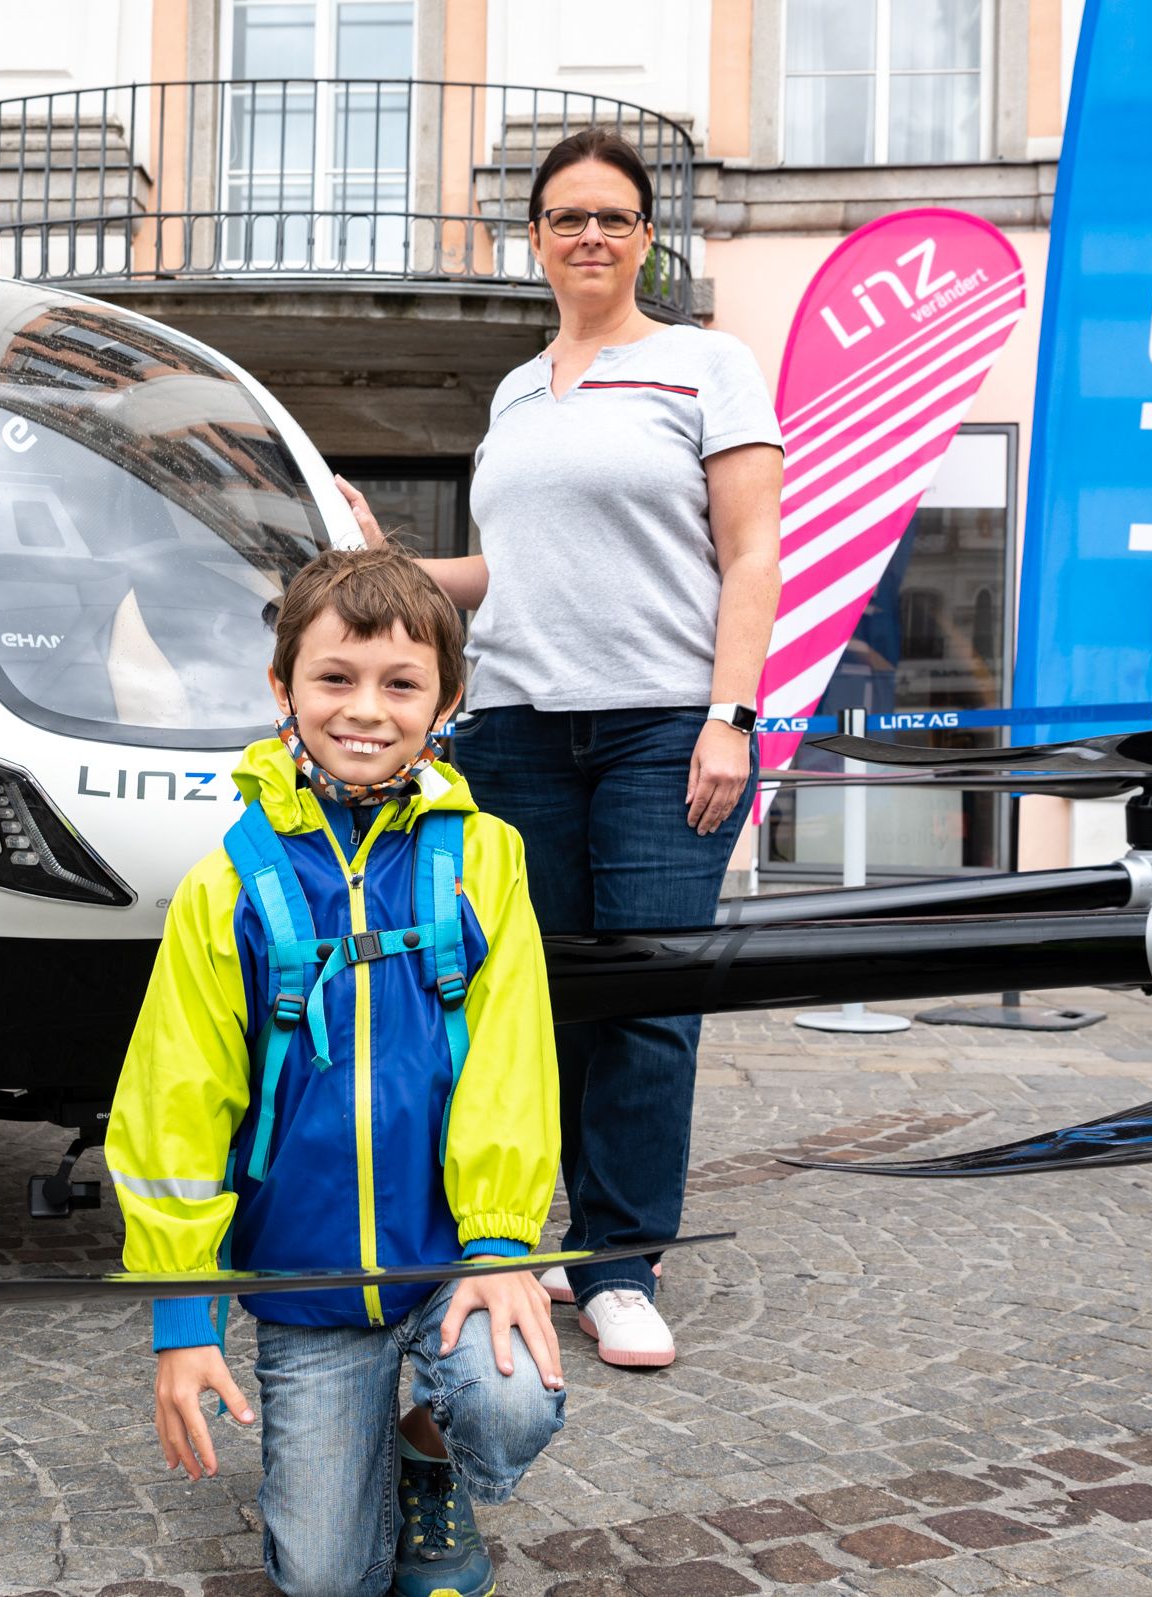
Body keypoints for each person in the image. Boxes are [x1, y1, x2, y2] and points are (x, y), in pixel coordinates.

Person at [337, 126, 785, 1370]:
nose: (591, 233)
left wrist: (731, 717)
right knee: (528, 999)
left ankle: (623, 1263)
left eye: (616, 215)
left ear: (647, 238)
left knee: (648, 1001)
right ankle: (517, 1229)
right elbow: (506, 574)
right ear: (533, 239)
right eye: (567, 216)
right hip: (517, 731)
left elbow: (753, 551)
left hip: (662, 728)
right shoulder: (516, 391)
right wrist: (388, 564)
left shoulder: (706, 366)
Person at [106, 546, 563, 1597]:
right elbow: (174, 1106)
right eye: (336, 677)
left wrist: (501, 1249)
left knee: (507, 1404)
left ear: (447, 700)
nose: (366, 709)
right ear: (283, 689)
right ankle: (365, 1458)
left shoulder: (487, 858)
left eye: (401, 684)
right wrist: (185, 1316)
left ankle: (429, 1451)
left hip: (452, 1260)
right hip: (309, 1294)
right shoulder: (227, 880)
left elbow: (513, 1062)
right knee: (323, 1582)